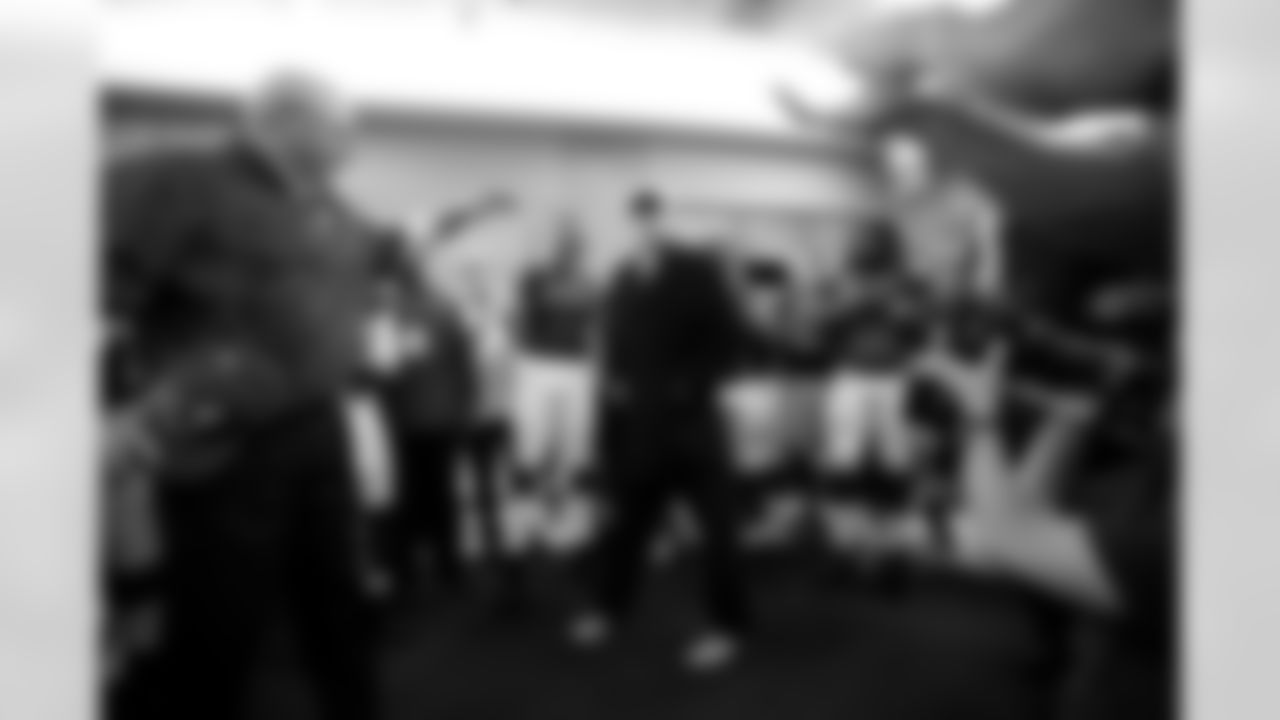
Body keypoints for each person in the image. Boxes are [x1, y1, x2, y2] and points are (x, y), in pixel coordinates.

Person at [104, 72, 400, 720]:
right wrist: (109, 412)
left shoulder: (326, 204)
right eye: (343, 127)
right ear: (288, 122)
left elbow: (375, 255)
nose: (353, 142)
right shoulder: (180, 180)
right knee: (219, 632)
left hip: (318, 428)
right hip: (228, 449)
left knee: (338, 605)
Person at [568, 190, 752, 673]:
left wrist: (688, 385)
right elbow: (613, 349)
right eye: (634, 220)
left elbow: (731, 342)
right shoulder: (620, 279)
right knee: (625, 529)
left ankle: (727, 628)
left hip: (694, 429)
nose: (642, 228)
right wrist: (613, 394)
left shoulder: (696, 271)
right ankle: (609, 610)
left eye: (650, 218)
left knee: (719, 533)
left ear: (662, 221)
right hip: (640, 431)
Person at [510, 217, 601, 556]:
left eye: (574, 241)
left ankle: (576, 529)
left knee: (578, 453)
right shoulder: (533, 278)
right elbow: (523, 321)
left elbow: (595, 328)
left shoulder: (590, 283)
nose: (569, 247)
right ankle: (524, 528)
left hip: (577, 370)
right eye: (563, 240)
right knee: (530, 452)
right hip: (537, 367)